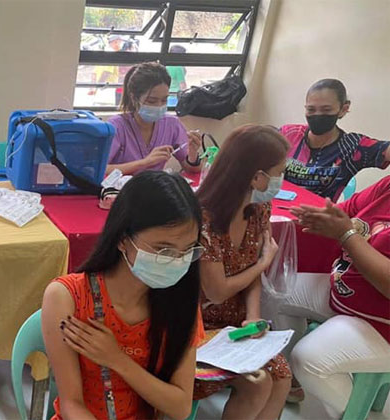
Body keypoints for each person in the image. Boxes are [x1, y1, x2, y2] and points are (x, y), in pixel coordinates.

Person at [42, 171, 206, 420]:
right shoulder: (67, 296)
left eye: (187, 250)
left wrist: (117, 359)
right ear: (122, 239)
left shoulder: (181, 303)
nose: (176, 262)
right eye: (163, 249)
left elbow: (180, 407)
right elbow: (71, 404)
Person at [194, 125, 292, 419]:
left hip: (236, 324)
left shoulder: (259, 208)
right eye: (278, 171)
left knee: (282, 376)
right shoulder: (203, 219)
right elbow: (217, 290)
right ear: (256, 177)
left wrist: (253, 317)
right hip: (196, 324)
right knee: (257, 384)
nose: (280, 179)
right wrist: (264, 262)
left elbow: (252, 278)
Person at [275, 176, 390, 418]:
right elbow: (347, 211)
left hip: (381, 325)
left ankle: (355, 414)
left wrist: (346, 234)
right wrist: (321, 218)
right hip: (347, 291)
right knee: (275, 292)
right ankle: (290, 383)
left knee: (309, 361)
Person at [281, 79, 390, 201]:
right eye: (311, 110)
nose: (317, 115)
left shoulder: (352, 147)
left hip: (317, 217)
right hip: (276, 212)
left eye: (326, 110)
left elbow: (385, 150)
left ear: (343, 109)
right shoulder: (288, 134)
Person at [105, 62, 203, 176]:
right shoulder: (117, 126)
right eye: (151, 101)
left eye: (164, 100)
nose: (159, 106)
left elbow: (192, 170)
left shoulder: (171, 124)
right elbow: (99, 170)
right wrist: (145, 162)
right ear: (134, 98)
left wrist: (192, 154)